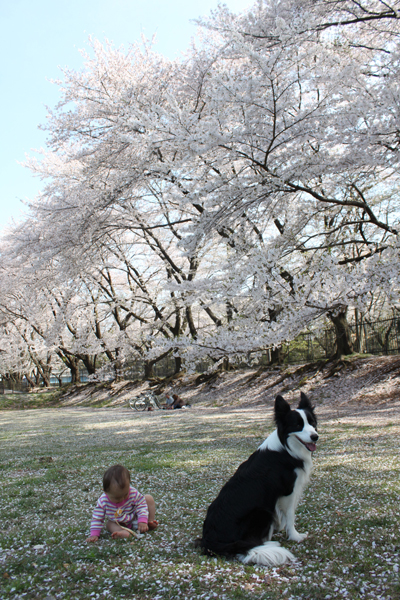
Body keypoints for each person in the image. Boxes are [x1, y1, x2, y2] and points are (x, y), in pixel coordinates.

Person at [86, 464, 158, 542]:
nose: (122, 499)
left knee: (148, 498)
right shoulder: (103, 501)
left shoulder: (132, 492)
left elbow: (141, 505)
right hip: (119, 523)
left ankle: (149, 522)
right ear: (105, 492)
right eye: (117, 498)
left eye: (125, 495)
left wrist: (142, 520)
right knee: (109, 524)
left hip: (135, 519)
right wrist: (94, 534)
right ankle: (123, 532)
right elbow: (97, 518)